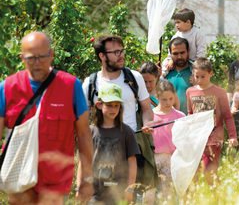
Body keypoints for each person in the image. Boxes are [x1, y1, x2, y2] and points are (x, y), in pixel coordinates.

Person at [0, 31, 93, 204]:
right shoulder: (7, 88)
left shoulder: (71, 86)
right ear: (21, 57)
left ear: (51, 55)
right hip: (18, 180)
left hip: (55, 183)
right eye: (31, 58)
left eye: (42, 57)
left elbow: (84, 135)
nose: (37, 63)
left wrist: (86, 179)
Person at [82, 35, 159, 201]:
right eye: (115, 52)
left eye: (121, 51)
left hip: (132, 147)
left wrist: (147, 124)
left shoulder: (135, 78)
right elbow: (84, 117)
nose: (121, 55)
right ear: (102, 56)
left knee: (133, 197)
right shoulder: (90, 83)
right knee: (101, 198)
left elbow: (146, 108)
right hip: (102, 149)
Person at [78, 84, 140, 204]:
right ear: (99, 105)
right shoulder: (90, 131)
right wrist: (79, 186)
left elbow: (132, 162)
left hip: (118, 191)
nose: (113, 109)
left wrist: (130, 189)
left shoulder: (127, 132)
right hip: (94, 192)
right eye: (109, 105)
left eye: (116, 106)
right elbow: (83, 161)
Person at [186, 57, 238, 186]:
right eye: (197, 77)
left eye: (203, 76)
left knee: (209, 172)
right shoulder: (190, 92)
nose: (199, 80)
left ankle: (217, 197)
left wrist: (232, 136)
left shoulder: (219, 92)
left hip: (214, 139)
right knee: (193, 174)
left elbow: (227, 116)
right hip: (196, 139)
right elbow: (190, 114)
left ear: (211, 73)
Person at [152, 80, 185, 202]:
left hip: (172, 160)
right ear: (157, 97)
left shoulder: (180, 116)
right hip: (153, 159)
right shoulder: (150, 115)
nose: (168, 102)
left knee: (168, 194)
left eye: (171, 99)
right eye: (164, 99)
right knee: (150, 195)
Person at [162, 8, 206, 77]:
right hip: (178, 60)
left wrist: (197, 63)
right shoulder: (177, 35)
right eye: (176, 22)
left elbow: (201, 51)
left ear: (188, 22)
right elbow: (170, 50)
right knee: (165, 62)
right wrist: (171, 60)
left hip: (193, 61)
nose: (176, 25)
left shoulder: (198, 34)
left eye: (178, 22)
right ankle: (162, 77)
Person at [165, 37, 193, 115]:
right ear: (170, 53)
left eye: (182, 53)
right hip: (167, 123)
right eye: (175, 54)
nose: (180, 57)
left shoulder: (196, 73)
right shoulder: (164, 73)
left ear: (188, 51)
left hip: (190, 122)